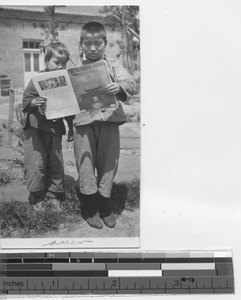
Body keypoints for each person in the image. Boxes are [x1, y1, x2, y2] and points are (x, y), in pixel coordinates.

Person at [74, 22, 135, 229]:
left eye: (97, 43)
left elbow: (130, 84)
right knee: (85, 163)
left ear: (104, 43)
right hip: (83, 123)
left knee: (109, 163)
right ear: (81, 44)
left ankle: (105, 205)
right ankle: (90, 207)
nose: (92, 48)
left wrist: (119, 86)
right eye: (87, 44)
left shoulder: (113, 64)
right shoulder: (73, 67)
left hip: (109, 121)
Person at [22, 42, 74, 212]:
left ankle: (54, 195)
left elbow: (70, 106)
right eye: (56, 62)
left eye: (64, 63)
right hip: (36, 127)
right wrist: (33, 101)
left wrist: (71, 128)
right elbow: (26, 98)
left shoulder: (66, 82)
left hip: (55, 129)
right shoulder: (37, 79)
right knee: (36, 161)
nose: (60, 66)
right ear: (46, 61)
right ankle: (36, 195)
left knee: (55, 161)